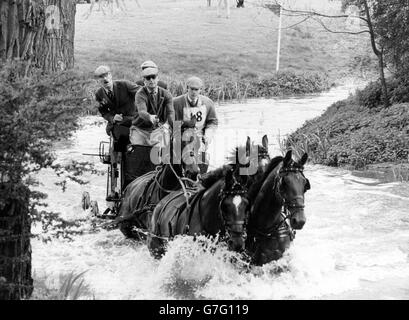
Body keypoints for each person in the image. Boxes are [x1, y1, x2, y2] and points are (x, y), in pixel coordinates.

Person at [94, 65, 139, 201]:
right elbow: (104, 112)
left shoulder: (125, 85)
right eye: (101, 77)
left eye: (106, 75)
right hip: (117, 127)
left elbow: (142, 93)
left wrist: (141, 111)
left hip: (134, 123)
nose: (105, 79)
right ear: (98, 81)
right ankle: (115, 189)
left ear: (111, 75)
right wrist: (112, 118)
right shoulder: (99, 94)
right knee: (116, 152)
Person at [130, 61, 175, 162]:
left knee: (162, 154)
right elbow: (142, 112)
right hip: (140, 129)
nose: (151, 80)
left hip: (158, 129)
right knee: (138, 154)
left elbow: (171, 114)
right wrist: (150, 117)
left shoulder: (166, 94)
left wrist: (175, 128)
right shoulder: (140, 94)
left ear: (157, 78)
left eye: (153, 77)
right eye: (148, 78)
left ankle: (161, 173)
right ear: (144, 80)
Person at [173, 76, 218, 174]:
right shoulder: (176, 103)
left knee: (203, 160)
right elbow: (171, 122)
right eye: (191, 89)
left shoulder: (208, 103)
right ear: (187, 88)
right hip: (181, 138)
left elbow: (213, 122)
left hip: (199, 138)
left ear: (200, 90)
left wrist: (208, 135)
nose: (193, 92)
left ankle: (200, 181)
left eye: (196, 90)